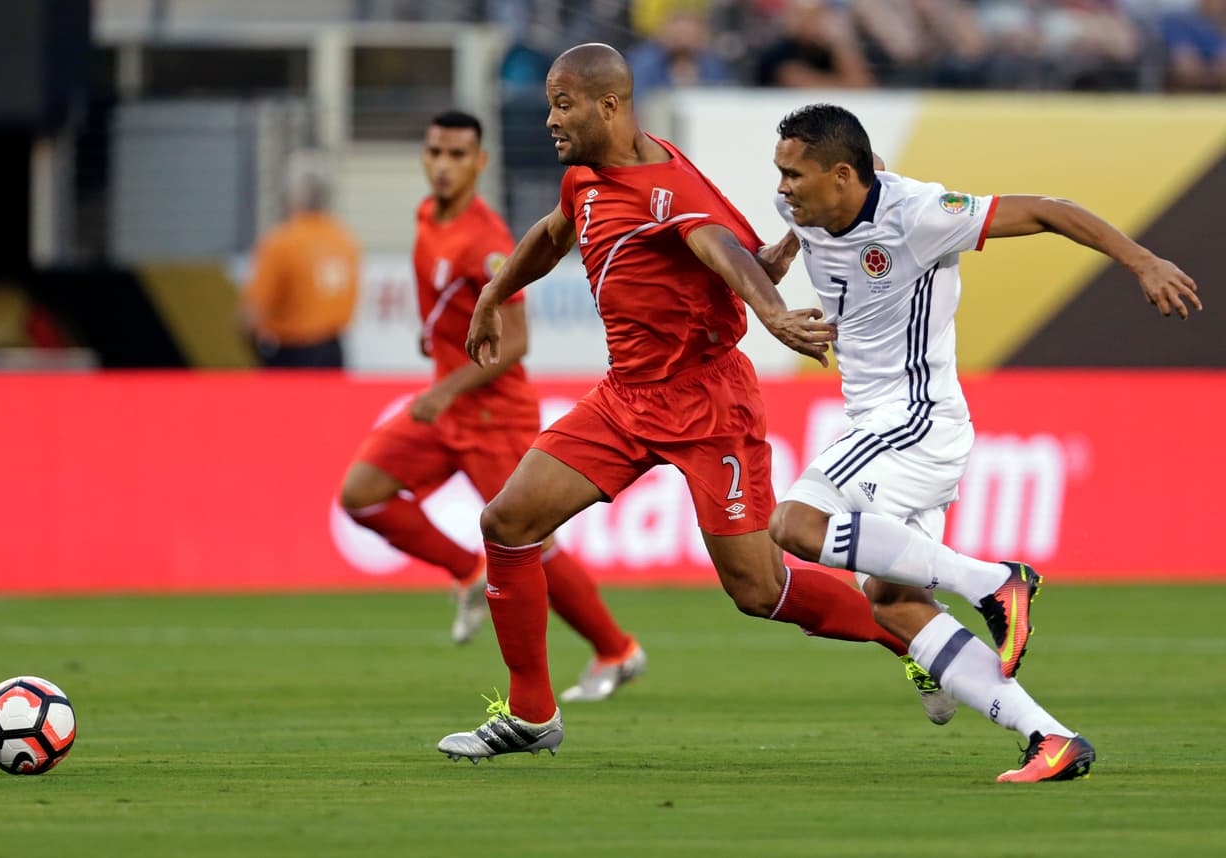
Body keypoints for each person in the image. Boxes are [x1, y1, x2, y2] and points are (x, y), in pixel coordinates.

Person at [437, 44, 953, 764]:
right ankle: (531, 716)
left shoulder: (666, 188)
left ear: (610, 106)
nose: (550, 119)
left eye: (564, 104)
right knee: (507, 521)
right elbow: (553, 237)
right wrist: (494, 294)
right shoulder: (586, 177)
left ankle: (914, 633)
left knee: (759, 588)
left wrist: (773, 314)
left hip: (708, 403)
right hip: (626, 397)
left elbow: (723, 253)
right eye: (552, 102)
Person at [763, 103, 1201, 782]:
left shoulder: (921, 215)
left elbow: (1052, 209)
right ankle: (1050, 739)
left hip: (912, 419)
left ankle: (995, 581)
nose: (782, 189)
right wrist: (786, 250)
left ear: (840, 175)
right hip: (885, 423)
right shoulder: (822, 198)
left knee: (793, 524)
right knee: (896, 602)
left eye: (794, 176)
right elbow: (861, 176)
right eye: (780, 174)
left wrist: (1143, 262)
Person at [339, 110, 645, 702]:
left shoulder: (488, 242)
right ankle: (466, 570)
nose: (444, 165)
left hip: (491, 415)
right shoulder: (428, 215)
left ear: (480, 163)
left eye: (458, 155)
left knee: (532, 542)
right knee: (362, 494)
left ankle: (617, 649)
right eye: (435, 152)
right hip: (446, 408)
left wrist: (444, 390)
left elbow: (518, 342)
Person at [241, 151, 359, 368]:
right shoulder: (345, 240)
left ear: (292, 195)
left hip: (292, 351)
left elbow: (253, 312)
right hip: (335, 349)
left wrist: (255, 347)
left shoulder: (281, 241)